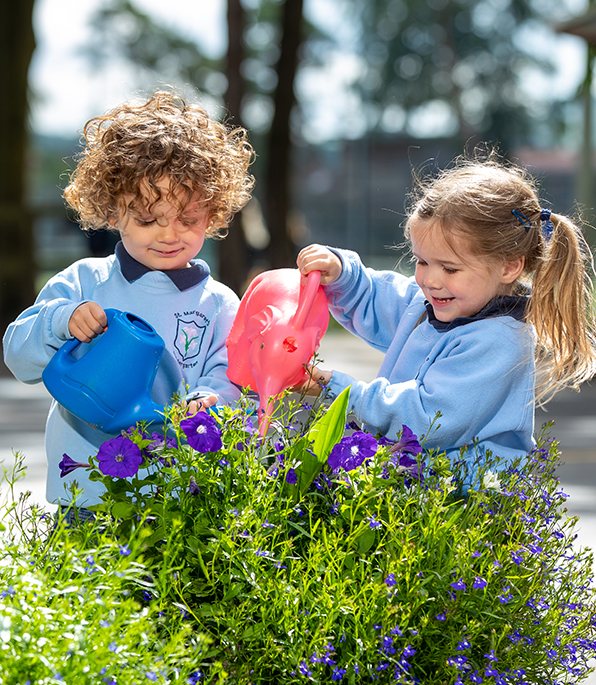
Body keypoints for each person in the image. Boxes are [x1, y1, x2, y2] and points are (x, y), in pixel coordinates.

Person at [3, 89, 254, 509]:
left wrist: (214, 400)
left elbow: (233, 378)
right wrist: (61, 322)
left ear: (212, 214)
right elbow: (17, 356)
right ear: (113, 211)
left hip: (180, 497)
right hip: (87, 494)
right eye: (147, 219)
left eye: (187, 219)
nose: (169, 234)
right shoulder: (84, 282)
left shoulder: (220, 304)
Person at [296, 155, 596, 477]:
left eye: (450, 268)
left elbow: (425, 419)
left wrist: (346, 392)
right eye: (422, 261)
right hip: (420, 490)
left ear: (509, 266)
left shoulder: (499, 341)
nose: (430, 280)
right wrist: (343, 275)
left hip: (465, 509)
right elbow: (376, 299)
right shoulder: (432, 303)